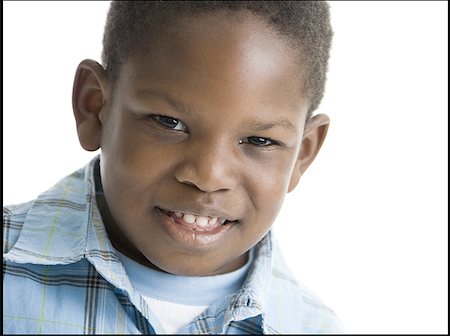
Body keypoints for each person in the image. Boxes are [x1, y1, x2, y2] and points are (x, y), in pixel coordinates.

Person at [3, 1, 343, 334]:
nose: (209, 177)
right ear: (95, 108)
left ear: (303, 152)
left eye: (259, 141)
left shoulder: (312, 326)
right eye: (169, 122)